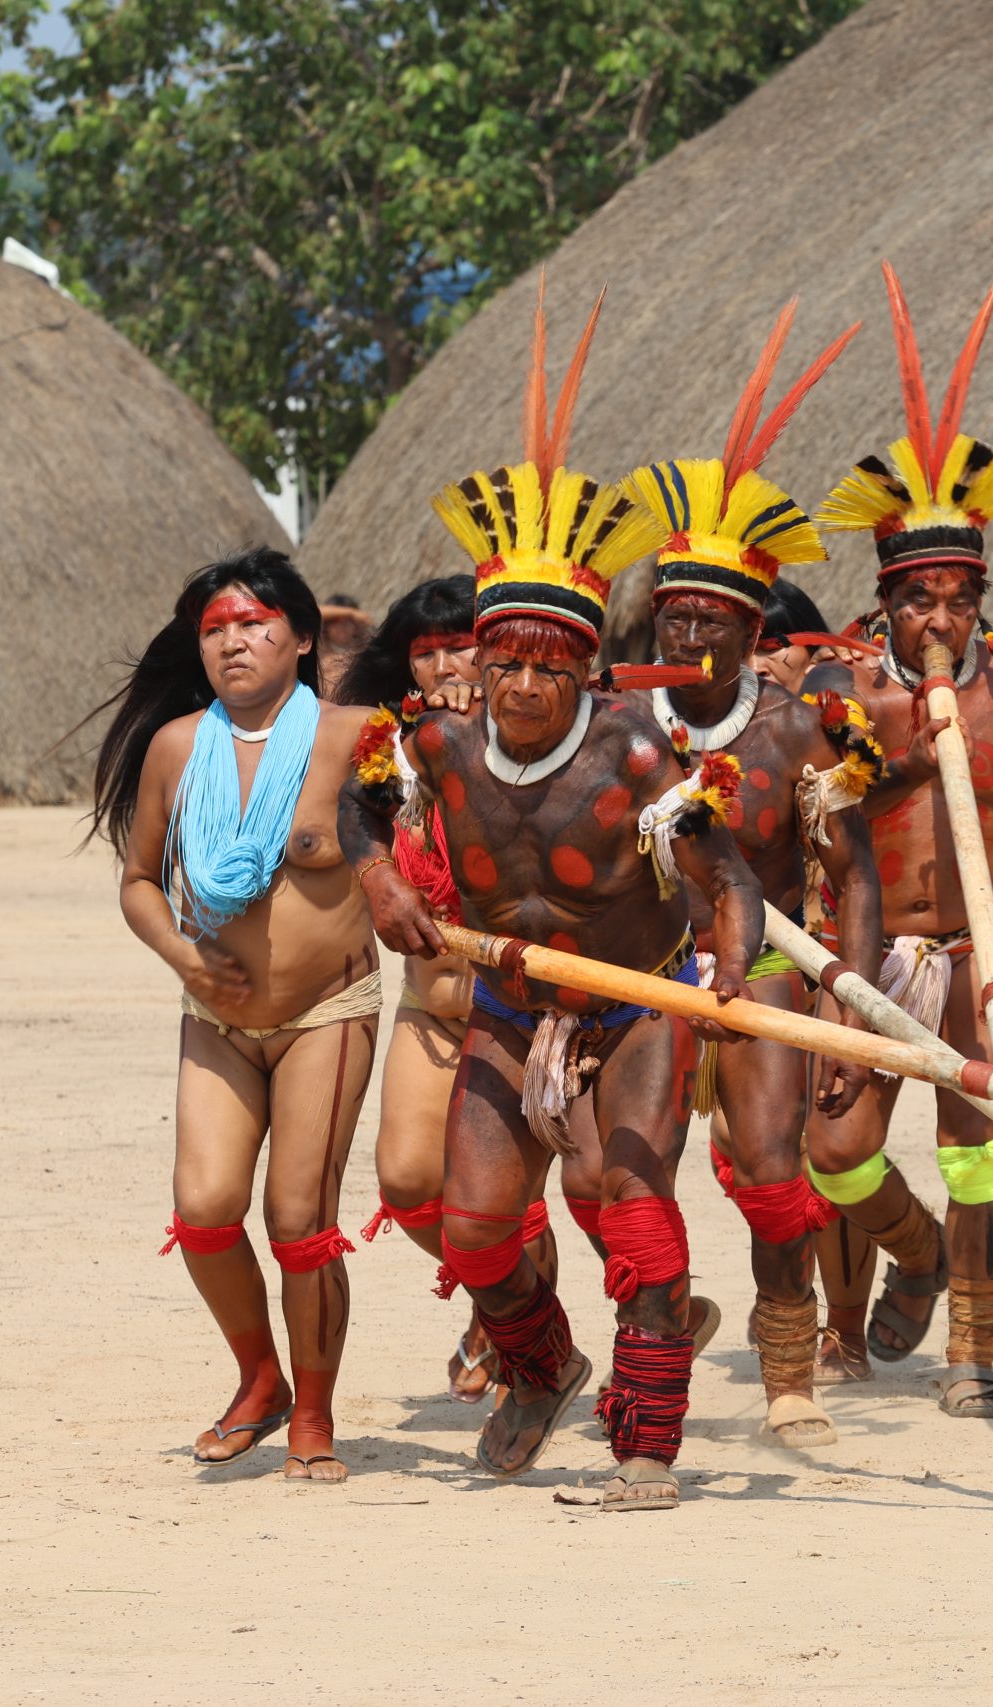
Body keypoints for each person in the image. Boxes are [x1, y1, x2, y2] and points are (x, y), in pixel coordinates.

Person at [341, 318, 763, 1507]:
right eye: (505, 660)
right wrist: (381, 879)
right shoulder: (435, 742)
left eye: (548, 664)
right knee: (472, 1224)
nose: (523, 684)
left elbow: (729, 881)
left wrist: (727, 980)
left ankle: (647, 1444)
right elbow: (362, 816)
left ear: (585, 669)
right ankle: (543, 1363)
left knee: (627, 1211)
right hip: (509, 1007)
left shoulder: (638, 757)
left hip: (631, 1015)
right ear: (479, 658)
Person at [801, 260, 993, 1419]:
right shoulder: (835, 693)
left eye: (956, 599)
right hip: (868, 949)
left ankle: (973, 1357)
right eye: (917, 599)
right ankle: (916, 1253)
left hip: (988, 944)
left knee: (980, 1147)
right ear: (883, 600)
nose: (937, 620)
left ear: (980, 599)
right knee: (838, 1155)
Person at [613, 300, 887, 1450]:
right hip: (641, 971)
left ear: (750, 624)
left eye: (711, 619)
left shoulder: (798, 733)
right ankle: (651, 1344)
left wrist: (846, 1000)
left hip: (770, 964)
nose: (689, 635)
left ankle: (787, 1372)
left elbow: (852, 878)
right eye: (672, 614)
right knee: (628, 1179)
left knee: (773, 1171)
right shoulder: (618, 722)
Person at [91, 547, 380, 1482]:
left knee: (299, 1216)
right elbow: (140, 882)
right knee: (207, 1207)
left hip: (326, 1009)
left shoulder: (358, 737)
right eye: (214, 629)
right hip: (212, 1011)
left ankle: (317, 1416)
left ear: (301, 638)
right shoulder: (177, 747)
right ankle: (261, 1378)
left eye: (255, 624)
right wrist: (181, 952)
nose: (233, 642)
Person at [331, 574, 549, 1402]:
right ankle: (508, 1303)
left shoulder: (537, 740)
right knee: (410, 1181)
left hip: (521, 1014)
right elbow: (359, 819)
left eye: (461, 644)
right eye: (425, 653)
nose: (444, 664)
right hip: (430, 1006)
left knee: (512, 1203)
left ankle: (527, 1355)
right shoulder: (395, 749)